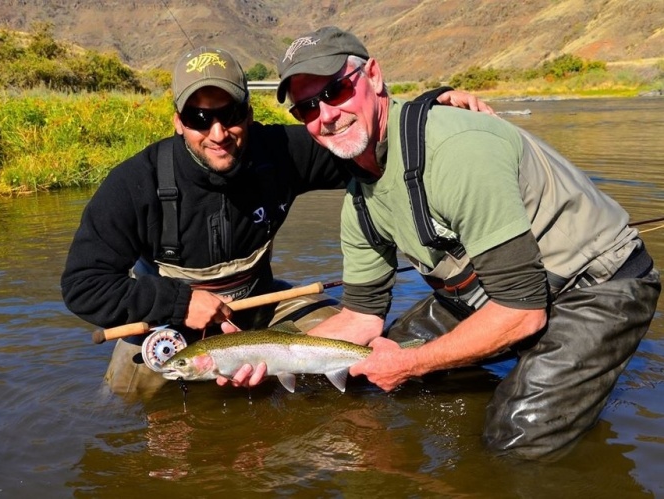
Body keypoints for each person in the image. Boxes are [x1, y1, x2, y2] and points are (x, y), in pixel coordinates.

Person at [260, 26, 659, 460]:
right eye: (306, 108)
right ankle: (525, 390)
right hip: (498, 293)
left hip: (597, 289)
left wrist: (413, 363)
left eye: (336, 90)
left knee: (514, 440)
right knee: (377, 364)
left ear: (373, 76)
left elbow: (521, 314)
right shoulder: (360, 198)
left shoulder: (456, 151)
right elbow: (360, 317)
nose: (325, 116)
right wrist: (265, 355)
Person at [60, 45, 491, 396]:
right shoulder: (134, 184)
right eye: (199, 118)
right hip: (162, 323)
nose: (217, 132)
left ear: (248, 113)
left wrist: (428, 112)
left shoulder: (279, 152)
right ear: (178, 122)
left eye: (228, 114)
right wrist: (178, 303)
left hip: (265, 307)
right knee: (125, 409)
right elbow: (83, 286)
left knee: (355, 361)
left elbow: (361, 137)